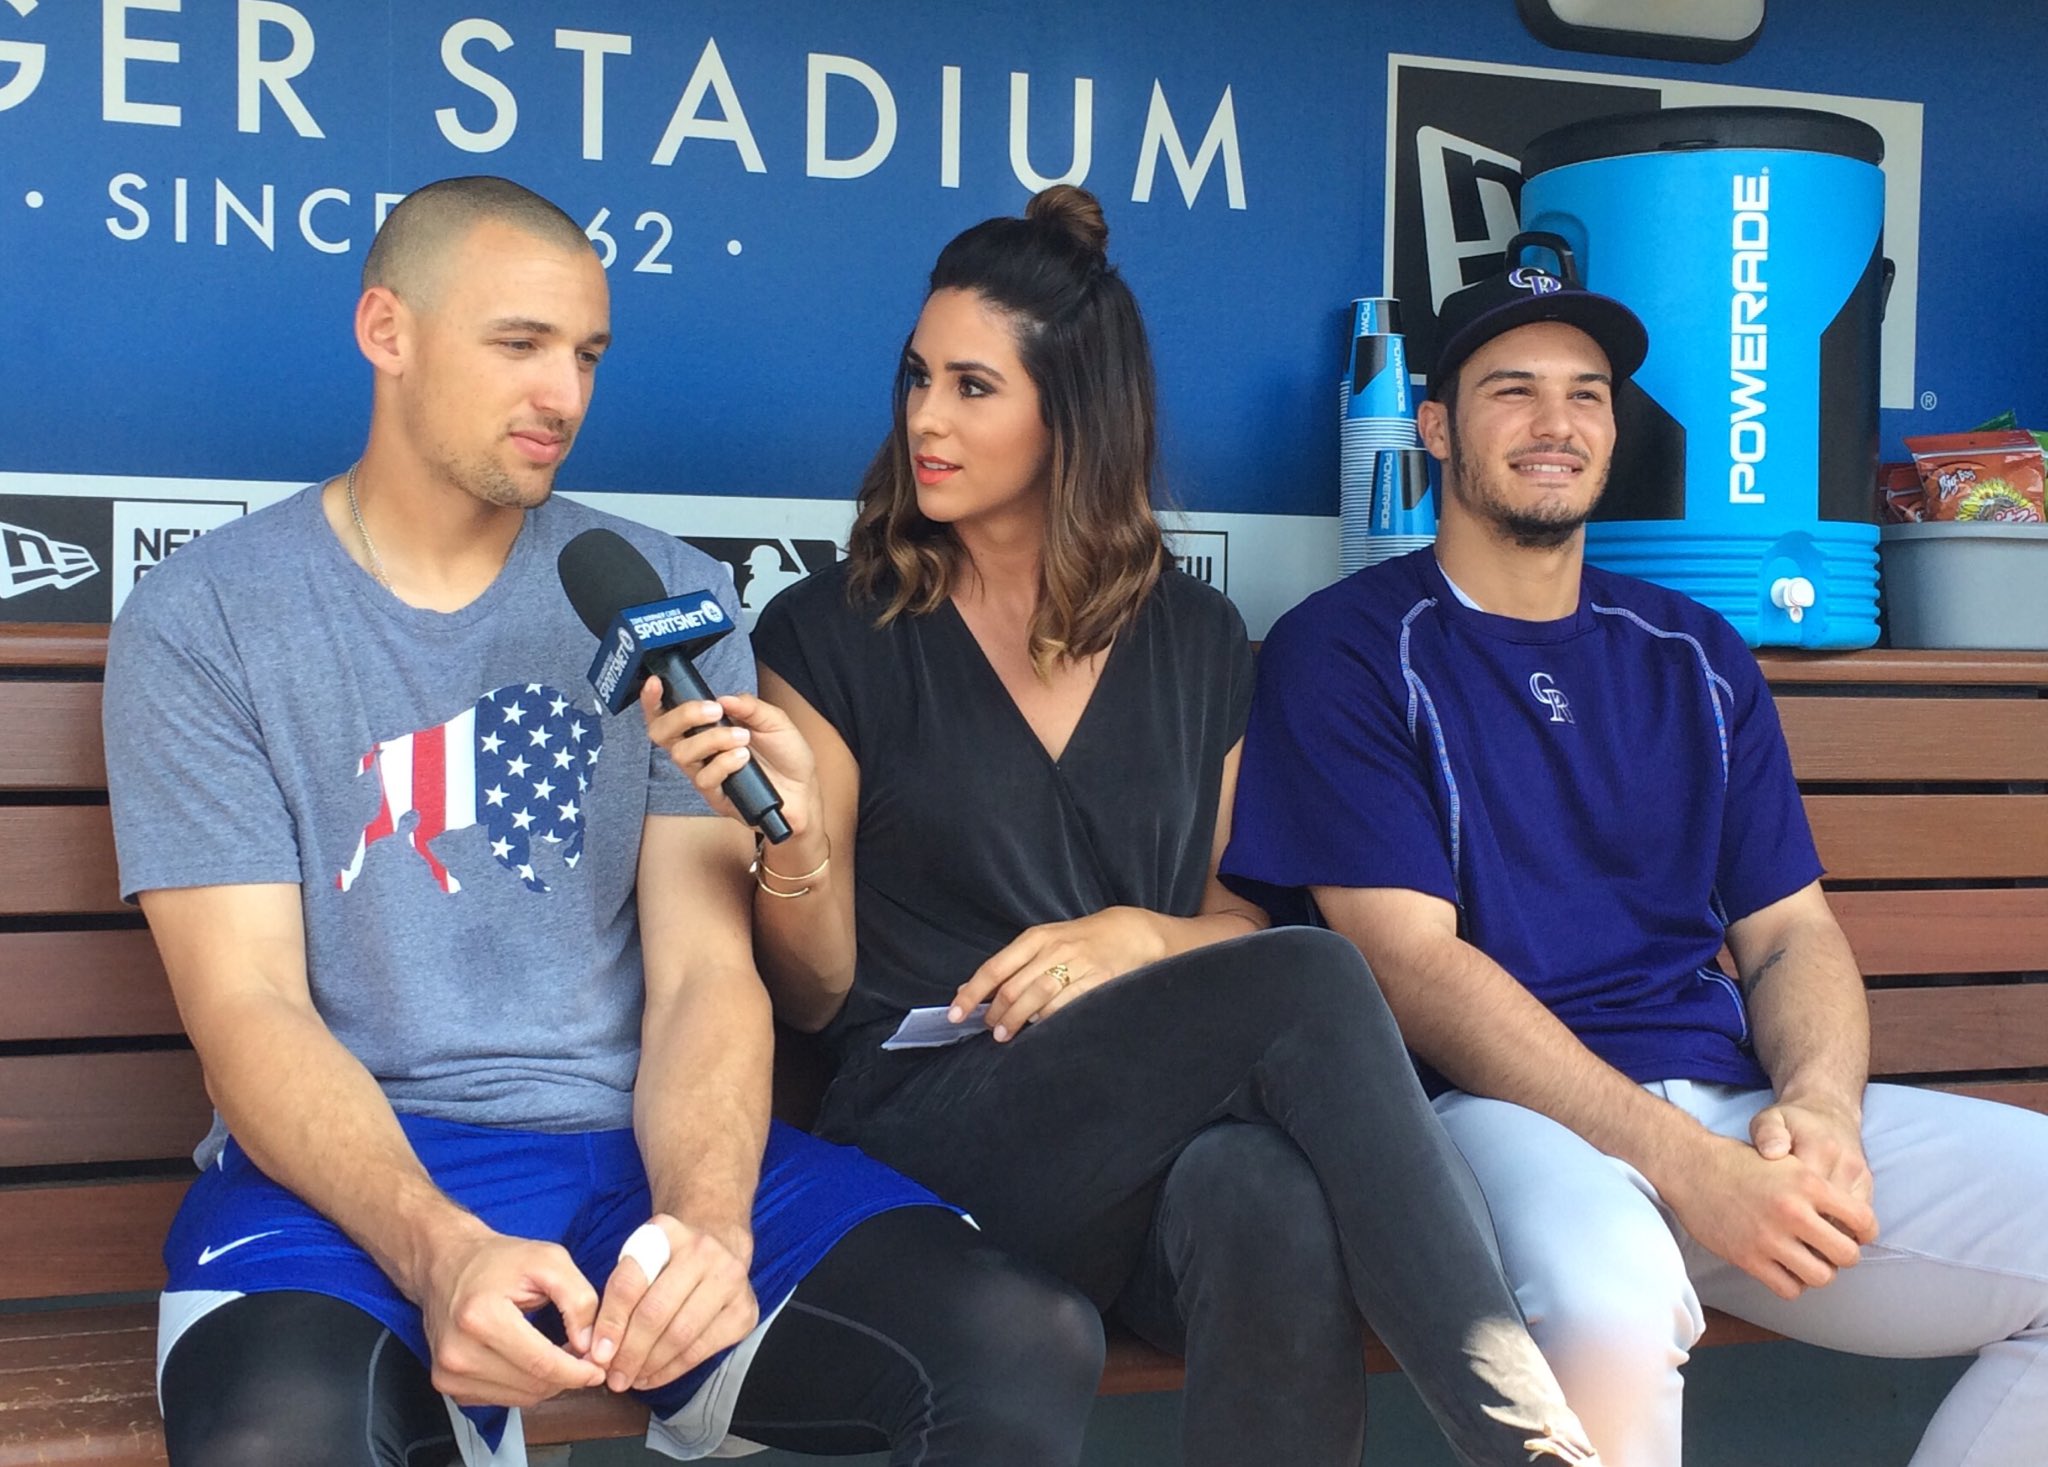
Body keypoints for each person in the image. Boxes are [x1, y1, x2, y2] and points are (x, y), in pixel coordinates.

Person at [102, 175, 1106, 1467]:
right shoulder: (208, 618)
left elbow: (702, 972)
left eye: (585, 354)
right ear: (386, 331)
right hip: (340, 1189)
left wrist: (706, 1225)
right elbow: (250, 1012)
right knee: (278, 1432)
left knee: (1021, 1338)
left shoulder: (669, 594)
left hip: (625, 1158)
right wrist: (438, 1243)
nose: (564, 396)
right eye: (518, 344)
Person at [649, 185, 1603, 1467]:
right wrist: (798, 841)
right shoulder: (832, 629)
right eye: (917, 378)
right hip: (933, 1133)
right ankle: (1523, 1437)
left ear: (1072, 413)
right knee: (1314, 975)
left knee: (1262, 1194)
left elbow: (1233, 918)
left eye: (973, 388)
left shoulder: (1194, 638)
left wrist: (1134, 938)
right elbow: (817, 999)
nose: (926, 418)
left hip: (1144, 1163)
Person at [1222, 264, 2048, 1465]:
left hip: (1725, 1113)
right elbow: (1404, 964)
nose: (1555, 425)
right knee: (1606, 1315)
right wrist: (1684, 1169)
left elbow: (1788, 933)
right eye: (1511, 391)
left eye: (1586, 394)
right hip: (1484, 1121)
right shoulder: (1347, 647)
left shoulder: (1690, 650)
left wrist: (1817, 1111)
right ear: (1437, 426)